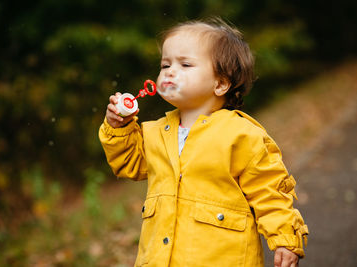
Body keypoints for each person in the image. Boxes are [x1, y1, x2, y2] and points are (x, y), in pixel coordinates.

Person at [99, 17, 308, 267]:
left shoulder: (240, 135)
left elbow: (270, 192)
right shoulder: (153, 133)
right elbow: (129, 164)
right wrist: (119, 127)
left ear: (220, 84)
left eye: (185, 64)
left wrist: (284, 238)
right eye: (165, 65)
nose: (170, 71)